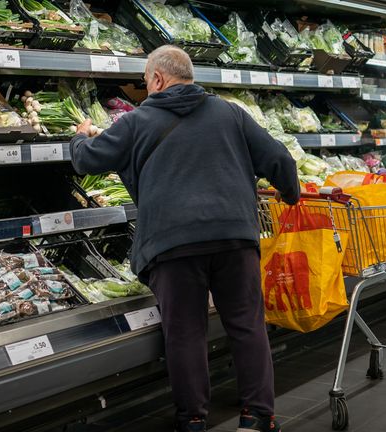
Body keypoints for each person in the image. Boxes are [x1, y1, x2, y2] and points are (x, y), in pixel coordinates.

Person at [69, 45, 300, 432]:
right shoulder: (231, 113)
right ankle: (258, 416)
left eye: (145, 81)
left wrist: (79, 137)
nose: (146, 89)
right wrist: (289, 193)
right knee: (246, 324)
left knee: (186, 333)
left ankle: (192, 419)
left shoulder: (137, 121)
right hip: (234, 237)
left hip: (173, 245)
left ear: (157, 79)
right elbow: (279, 158)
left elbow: (87, 160)